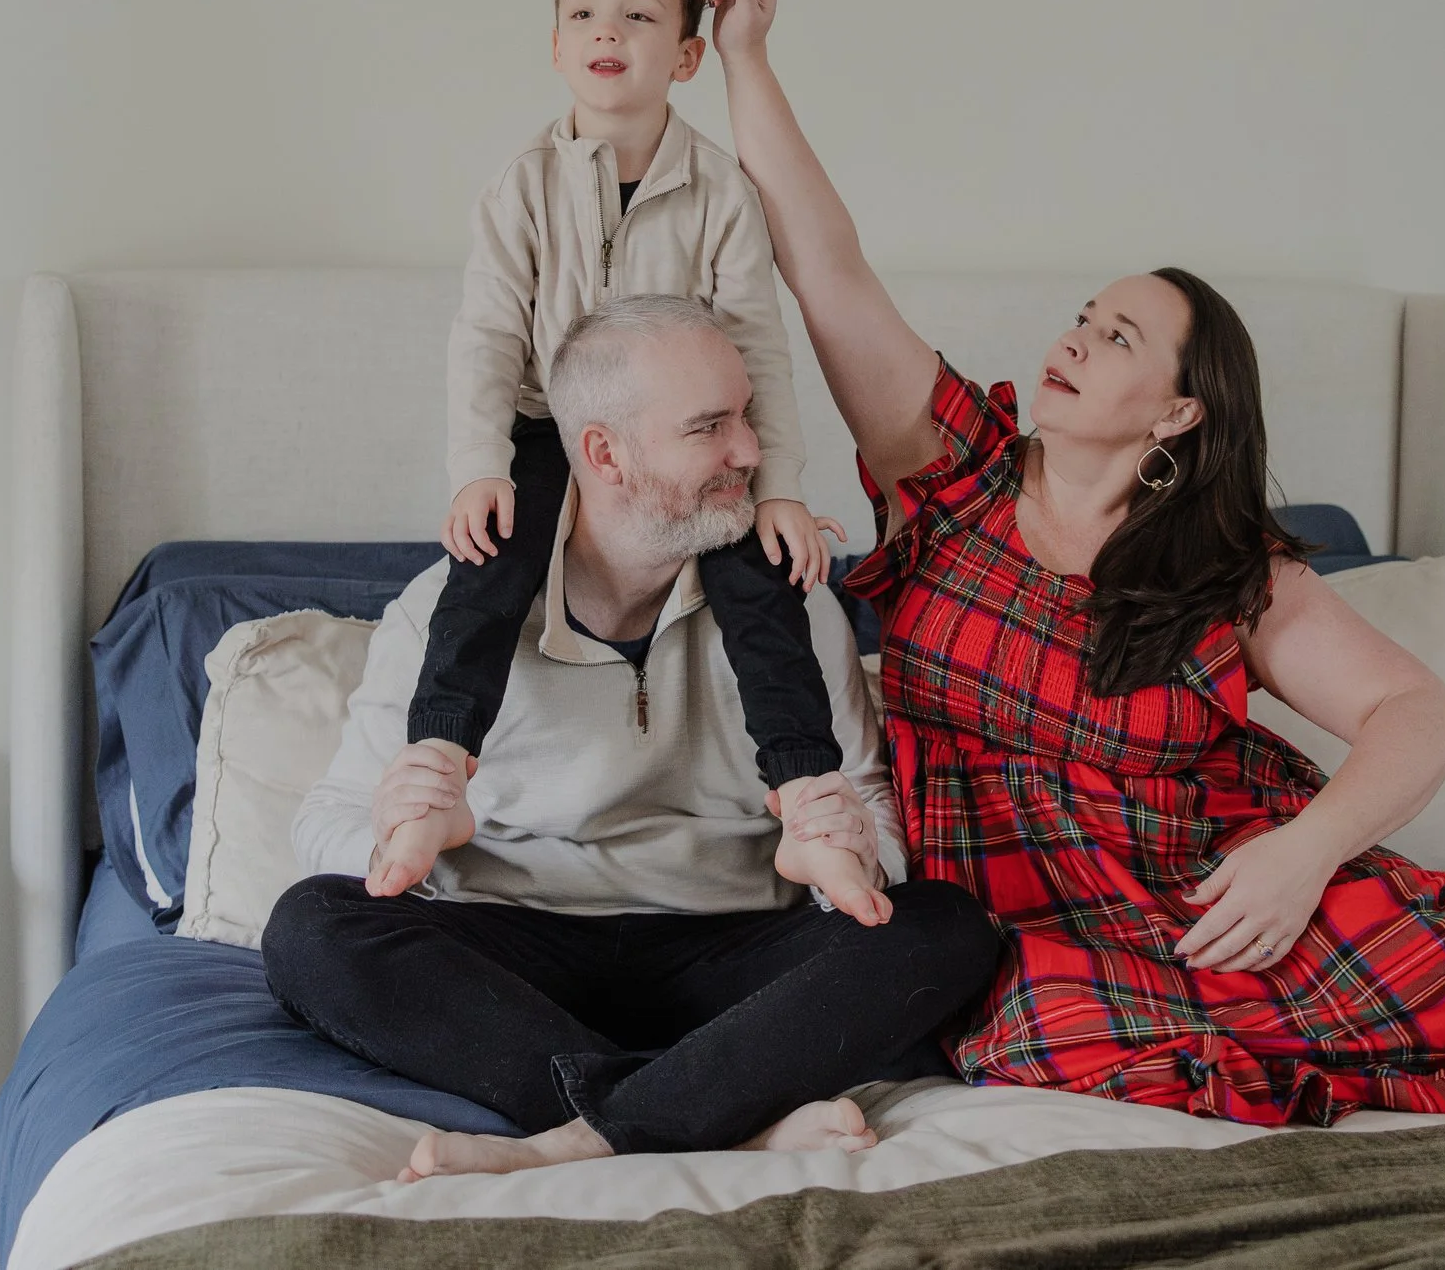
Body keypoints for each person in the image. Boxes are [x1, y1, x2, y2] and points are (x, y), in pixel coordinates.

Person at [699, 0, 1445, 1125]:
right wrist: (748, 57)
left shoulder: (1228, 570)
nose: (1072, 340)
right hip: (1026, 921)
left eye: (1116, 336)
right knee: (1029, 1023)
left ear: (1175, 412)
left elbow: (1424, 715)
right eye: (1082, 318)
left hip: (1217, 885)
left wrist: (1302, 851)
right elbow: (823, 262)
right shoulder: (948, 472)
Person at [263, 295, 1003, 1179]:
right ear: (603, 453)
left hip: (734, 956)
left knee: (944, 927)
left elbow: (866, 798)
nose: (752, 453)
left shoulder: (790, 602)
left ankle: (584, 1135)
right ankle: (720, 1118)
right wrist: (390, 829)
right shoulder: (444, 611)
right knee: (312, 928)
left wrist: (858, 841)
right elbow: (329, 822)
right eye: (709, 428)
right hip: (516, 957)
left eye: (747, 418)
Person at [381, 0, 876, 919]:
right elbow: (484, 336)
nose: (609, 33)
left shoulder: (719, 194)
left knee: (762, 585)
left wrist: (777, 483)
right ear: (556, 44)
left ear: (688, 54)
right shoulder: (520, 189)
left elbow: (758, 348)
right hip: (544, 426)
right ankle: (437, 768)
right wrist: (479, 464)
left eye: (641, 16)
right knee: (487, 576)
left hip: (689, 451)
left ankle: (809, 803)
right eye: (585, 13)